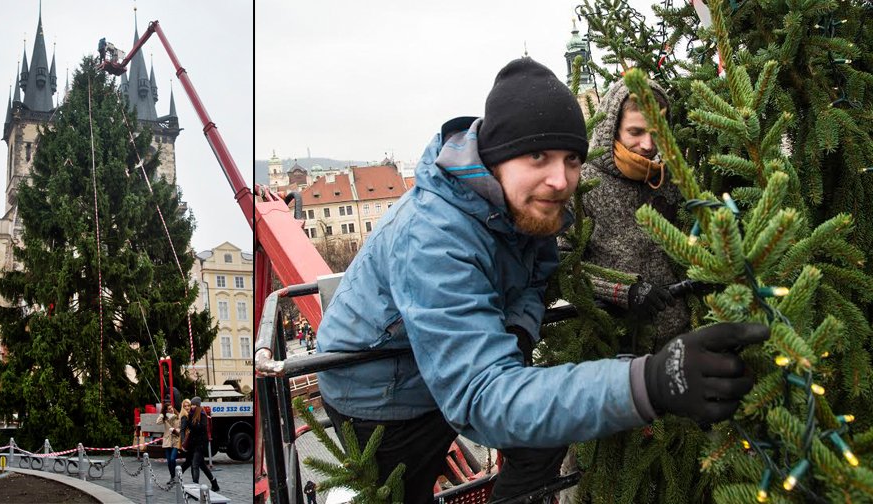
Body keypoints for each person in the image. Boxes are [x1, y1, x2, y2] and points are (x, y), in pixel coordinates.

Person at [315, 57, 768, 504]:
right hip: (381, 393)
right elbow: (479, 396)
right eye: (537, 156)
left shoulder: (527, 205)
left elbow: (536, 279)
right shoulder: (434, 237)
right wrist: (649, 381)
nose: (560, 180)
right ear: (495, 156)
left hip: (446, 365)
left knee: (542, 447)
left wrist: (517, 329)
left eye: (572, 158)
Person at [577, 78, 689, 339]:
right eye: (636, 132)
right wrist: (623, 291)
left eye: (656, 132)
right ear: (612, 128)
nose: (649, 145)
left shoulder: (672, 178)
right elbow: (564, 265)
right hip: (617, 341)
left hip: (680, 333)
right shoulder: (583, 183)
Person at [180, 397, 219, 492]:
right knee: (202, 466)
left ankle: (195, 487)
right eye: (191, 405)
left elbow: (201, 428)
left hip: (201, 444)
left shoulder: (202, 414)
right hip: (193, 443)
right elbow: (185, 428)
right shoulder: (190, 415)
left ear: (197, 405)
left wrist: (192, 423)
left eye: (193, 405)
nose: (192, 407)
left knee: (195, 464)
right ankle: (214, 483)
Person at [156, 402, 182, 484]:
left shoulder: (178, 416)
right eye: (169, 409)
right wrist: (162, 414)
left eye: (171, 408)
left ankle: (175, 476)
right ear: (166, 410)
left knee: (172, 459)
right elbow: (158, 422)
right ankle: (172, 477)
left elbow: (181, 428)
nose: (171, 410)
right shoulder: (165, 418)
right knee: (169, 461)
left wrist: (175, 431)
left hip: (176, 440)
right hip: (167, 440)